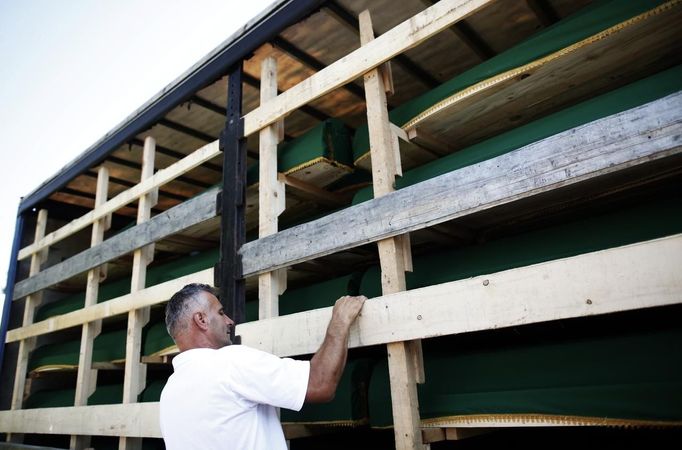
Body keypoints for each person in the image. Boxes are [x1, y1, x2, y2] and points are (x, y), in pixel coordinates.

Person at [159, 283, 366, 450]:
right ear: (202, 319)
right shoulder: (229, 362)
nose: (230, 321)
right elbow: (320, 384)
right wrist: (339, 322)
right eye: (221, 313)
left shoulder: (170, 392)